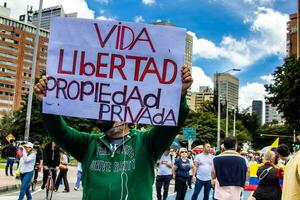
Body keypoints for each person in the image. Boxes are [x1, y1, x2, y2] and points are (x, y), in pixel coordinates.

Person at [33, 65, 192, 199]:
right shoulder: (89, 144)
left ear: (128, 115)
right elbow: (60, 132)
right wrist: (47, 105)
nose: (106, 113)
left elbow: (170, 126)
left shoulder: (146, 143)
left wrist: (178, 94)